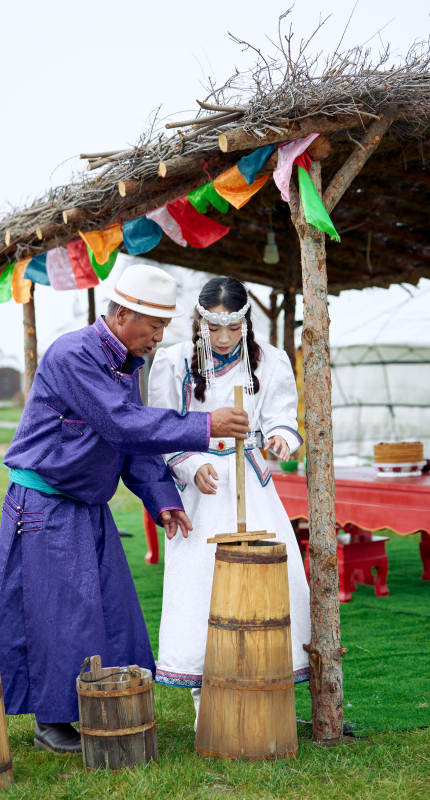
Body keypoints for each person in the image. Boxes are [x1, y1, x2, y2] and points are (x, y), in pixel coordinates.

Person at [0, 264, 250, 753]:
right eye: (153, 327)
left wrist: (162, 499)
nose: (158, 338)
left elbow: (132, 446)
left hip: (85, 505)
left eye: (163, 328)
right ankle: (53, 722)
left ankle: (98, 705)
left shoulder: (124, 364)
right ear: (124, 314)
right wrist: (205, 424)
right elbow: (123, 424)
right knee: (60, 616)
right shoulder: (74, 355)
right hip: (44, 505)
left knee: (110, 609)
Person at [148, 276, 311, 728]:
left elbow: (282, 415)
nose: (222, 339)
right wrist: (187, 465)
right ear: (199, 322)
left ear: (245, 323)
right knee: (203, 590)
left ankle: (270, 692)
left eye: (232, 329)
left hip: (253, 489)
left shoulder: (271, 360)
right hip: (202, 491)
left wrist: (279, 438)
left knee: (271, 586)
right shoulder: (173, 361)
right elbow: (161, 426)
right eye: (213, 329)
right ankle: (212, 710)